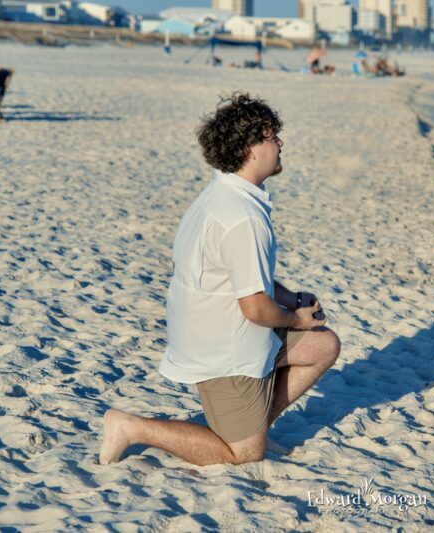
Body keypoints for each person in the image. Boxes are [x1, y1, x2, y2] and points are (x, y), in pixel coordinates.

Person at [100, 93, 341, 466]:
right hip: (224, 348)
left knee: (322, 346)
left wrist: (290, 297)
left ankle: (256, 423)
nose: (280, 143)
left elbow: (244, 278)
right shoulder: (242, 217)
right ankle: (130, 427)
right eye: (272, 136)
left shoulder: (224, 193)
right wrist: (296, 319)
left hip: (220, 328)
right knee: (243, 456)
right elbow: (256, 309)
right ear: (250, 149)